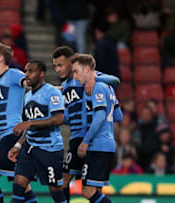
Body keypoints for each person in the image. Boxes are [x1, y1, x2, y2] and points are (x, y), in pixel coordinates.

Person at [52, 46, 121, 202]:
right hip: (80, 137)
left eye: (60, 65)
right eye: (55, 66)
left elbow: (115, 80)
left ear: (71, 64)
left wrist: (94, 79)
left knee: (73, 183)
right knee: (90, 188)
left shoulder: (91, 80)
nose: (57, 69)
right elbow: (70, 116)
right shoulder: (65, 88)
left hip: (88, 138)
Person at [0, 42, 36, 203]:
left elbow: (29, 82)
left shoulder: (13, 74)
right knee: (22, 183)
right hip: (8, 136)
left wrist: (51, 90)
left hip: (13, 135)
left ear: (0, 58)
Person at [8, 60, 66, 203]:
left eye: (31, 71)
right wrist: (18, 145)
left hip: (49, 150)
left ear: (41, 74)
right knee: (18, 186)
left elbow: (58, 118)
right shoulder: (27, 96)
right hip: (30, 148)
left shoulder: (52, 91)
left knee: (55, 190)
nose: (26, 75)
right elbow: (29, 127)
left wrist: (30, 122)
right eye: (26, 71)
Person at [71, 53, 122, 203]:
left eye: (76, 71)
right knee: (96, 191)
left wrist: (85, 141)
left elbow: (99, 117)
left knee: (87, 191)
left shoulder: (98, 87)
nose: (74, 76)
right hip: (107, 145)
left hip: (98, 145)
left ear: (87, 69)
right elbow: (118, 116)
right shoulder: (108, 88)